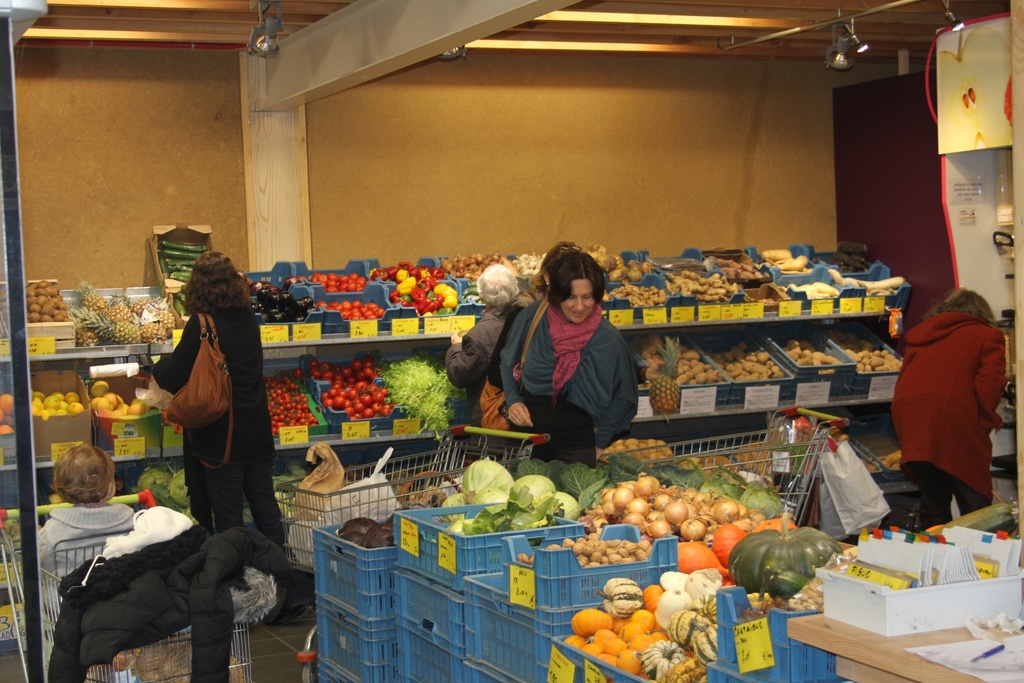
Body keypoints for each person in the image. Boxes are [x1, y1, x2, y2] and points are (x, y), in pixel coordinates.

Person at [151, 251, 312, 624]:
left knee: (230, 522)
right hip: (255, 431)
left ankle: (248, 597)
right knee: (267, 512)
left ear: (197, 287)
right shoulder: (248, 318)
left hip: (220, 438)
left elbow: (174, 375)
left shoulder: (202, 323)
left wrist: (155, 366)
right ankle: (290, 593)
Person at [499, 248, 638, 465]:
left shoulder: (607, 339)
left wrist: (599, 444)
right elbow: (507, 362)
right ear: (557, 292)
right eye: (571, 297)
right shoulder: (533, 318)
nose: (580, 306)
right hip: (525, 440)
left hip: (577, 446)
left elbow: (625, 397)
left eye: (587, 297)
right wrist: (514, 401)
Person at [891, 288, 1007, 529]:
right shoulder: (988, 335)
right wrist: (987, 420)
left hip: (912, 420)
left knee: (933, 503)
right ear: (982, 313)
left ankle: (936, 561)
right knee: (976, 505)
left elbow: (904, 381)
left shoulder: (920, 336)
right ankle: (979, 563)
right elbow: (990, 385)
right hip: (955, 419)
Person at [38, 445, 135, 576]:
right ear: (111, 487)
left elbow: (43, 565)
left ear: (60, 490)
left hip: (70, 593)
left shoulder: (52, 531)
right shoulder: (132, 522)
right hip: (119, 591)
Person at [445, 264, 520, 426]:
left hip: (491, 417)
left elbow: (459, 375)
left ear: (483, 297)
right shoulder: (524, 320)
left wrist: (456, 347)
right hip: (520, 413)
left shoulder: (479, 335)